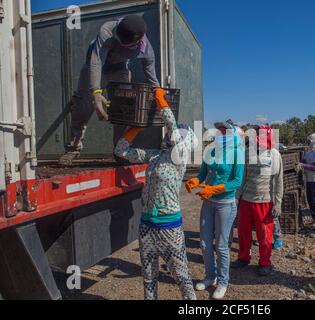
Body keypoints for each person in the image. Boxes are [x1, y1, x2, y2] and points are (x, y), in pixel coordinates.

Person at [114, 88, 197, 301]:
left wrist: (161, 101)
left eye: (176, 133)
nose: (171, 134)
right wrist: (135, 128)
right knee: (148, 277)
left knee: (181, 276)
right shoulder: (155, 156)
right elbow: (122, 151)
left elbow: (174, 131)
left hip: (169, 228)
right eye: (171, 133)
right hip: (147, 226)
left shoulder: (179, 159)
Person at [60, 15, 161, 165]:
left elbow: (151, 75)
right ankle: (73, 148)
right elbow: (96, 61)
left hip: (119, 70)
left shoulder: (145, 48)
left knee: (124, 108)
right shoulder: (107, 30)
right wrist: (96, 93)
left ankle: (119, 150)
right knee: (83, 107)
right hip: (94, 68)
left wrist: (159, 94)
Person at [185, 122, 245, 300]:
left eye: (225, 130)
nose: (221, 132)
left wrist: (214, 189)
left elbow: (236, 182)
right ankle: (210, 276)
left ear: (232, 134)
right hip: (208, 203)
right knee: (204, 244)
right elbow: (203, 174)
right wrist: (195, 181)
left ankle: (223, 282)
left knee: (221, 245)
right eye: (219, 130)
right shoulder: (210, 151)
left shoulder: (237, 153)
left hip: (225, 204)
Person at [231, 125, 284, 276]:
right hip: (246, 200)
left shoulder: (274, 155)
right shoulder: (247, 153)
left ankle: (265, 262)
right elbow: (243, 178)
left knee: (264, 235)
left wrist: (278, 203)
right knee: (243, 232)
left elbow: (278, 181)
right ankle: (243, 258)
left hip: (265, 201)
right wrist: (237, 197)